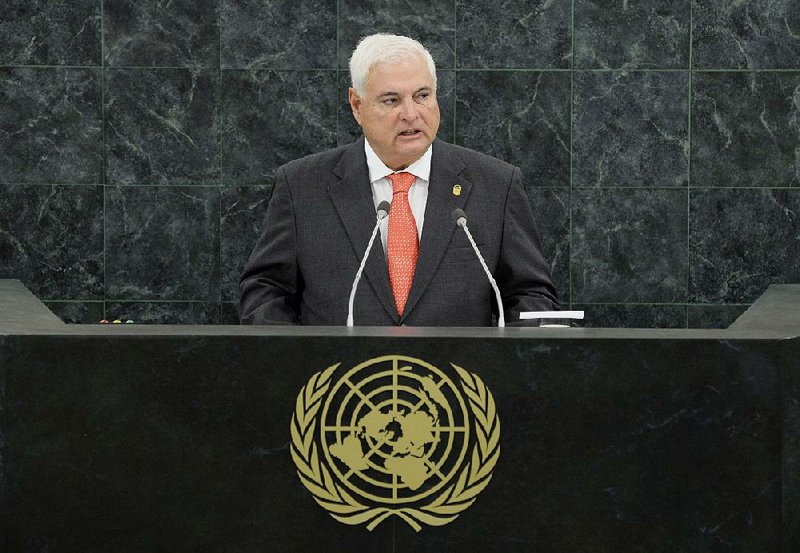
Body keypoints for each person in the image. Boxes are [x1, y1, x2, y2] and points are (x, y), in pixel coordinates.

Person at [239, 33, 558, 326]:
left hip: (455, 384)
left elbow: (531, 296)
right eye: (391, 100)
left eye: (422, 96)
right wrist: (294, 364)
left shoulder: (496, 185)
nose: (411, 113)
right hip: (345, 384)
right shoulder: (301, 186)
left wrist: (512, 367)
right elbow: (266, 290)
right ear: (357, 105)